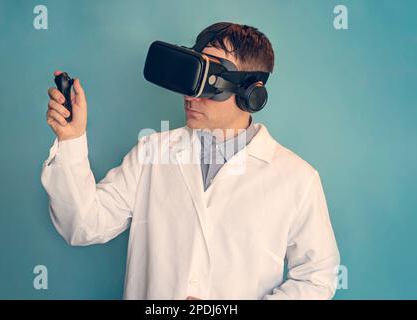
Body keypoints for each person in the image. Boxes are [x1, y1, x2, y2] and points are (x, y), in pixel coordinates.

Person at [41, 22, 340, 300]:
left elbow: (316, 278)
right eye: (191, 77)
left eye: (209, 83)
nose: (191, 96)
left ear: (251, 95)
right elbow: (81, 225)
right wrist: (72, 140)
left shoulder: (297, 179)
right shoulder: (152, 153)